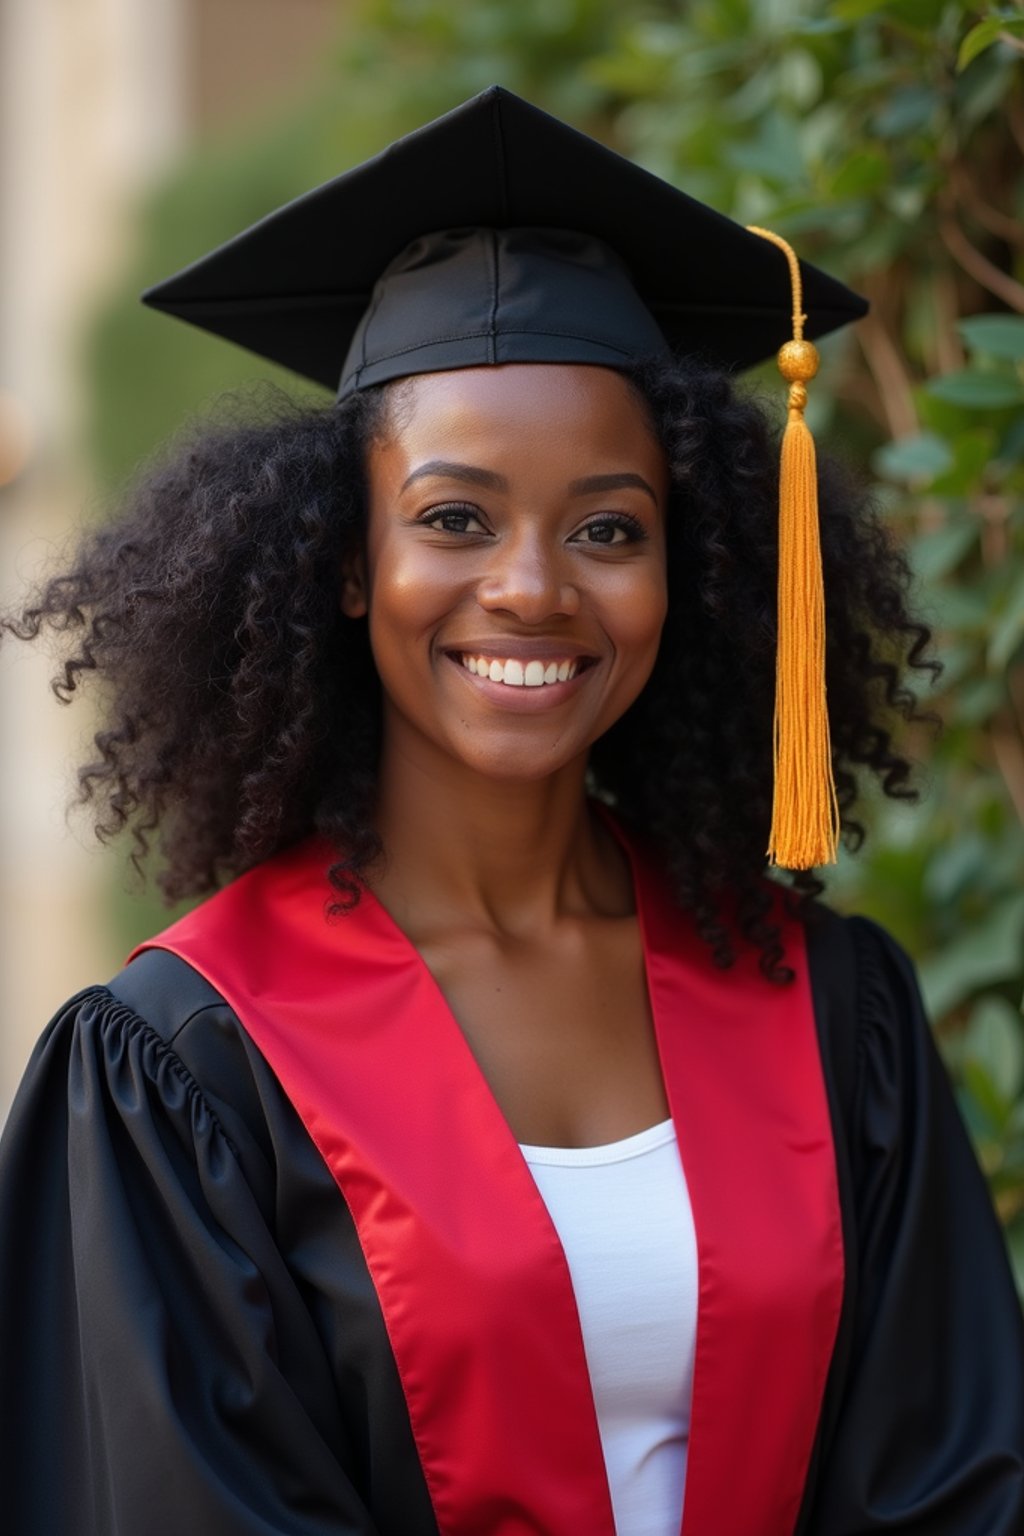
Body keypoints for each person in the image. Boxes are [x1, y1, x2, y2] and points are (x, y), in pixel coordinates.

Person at [0, 85, 1021, 1536]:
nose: (535, 586)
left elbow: (952, 1479)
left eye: (611, 527)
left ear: (697, 572)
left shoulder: (826, 1009)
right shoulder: (193, 1068)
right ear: (349, 562)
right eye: (456, 517)